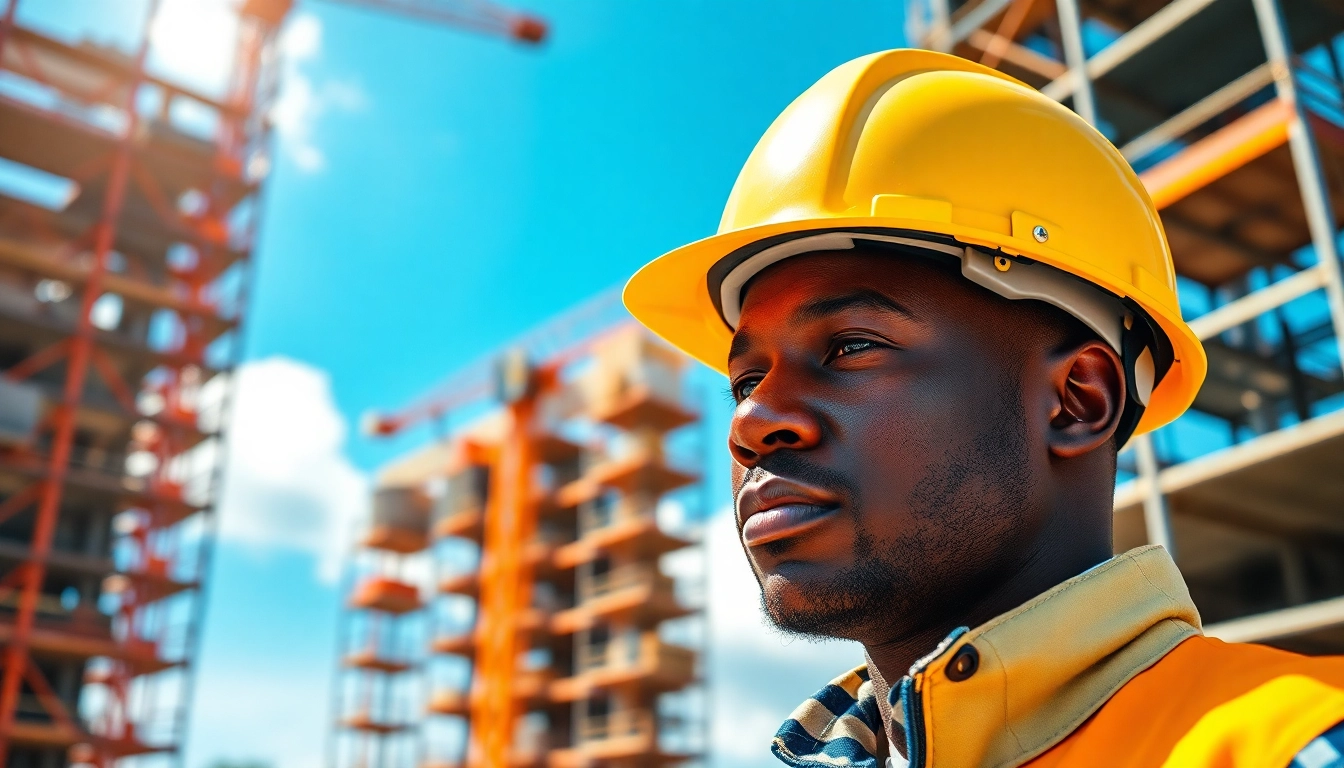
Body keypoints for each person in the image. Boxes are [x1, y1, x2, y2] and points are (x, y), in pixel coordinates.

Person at [623, 50, 1344, 768]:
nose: (751, 425)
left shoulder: (1297, 745)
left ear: (1076, 401)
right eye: (746, 381)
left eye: (850, 347)